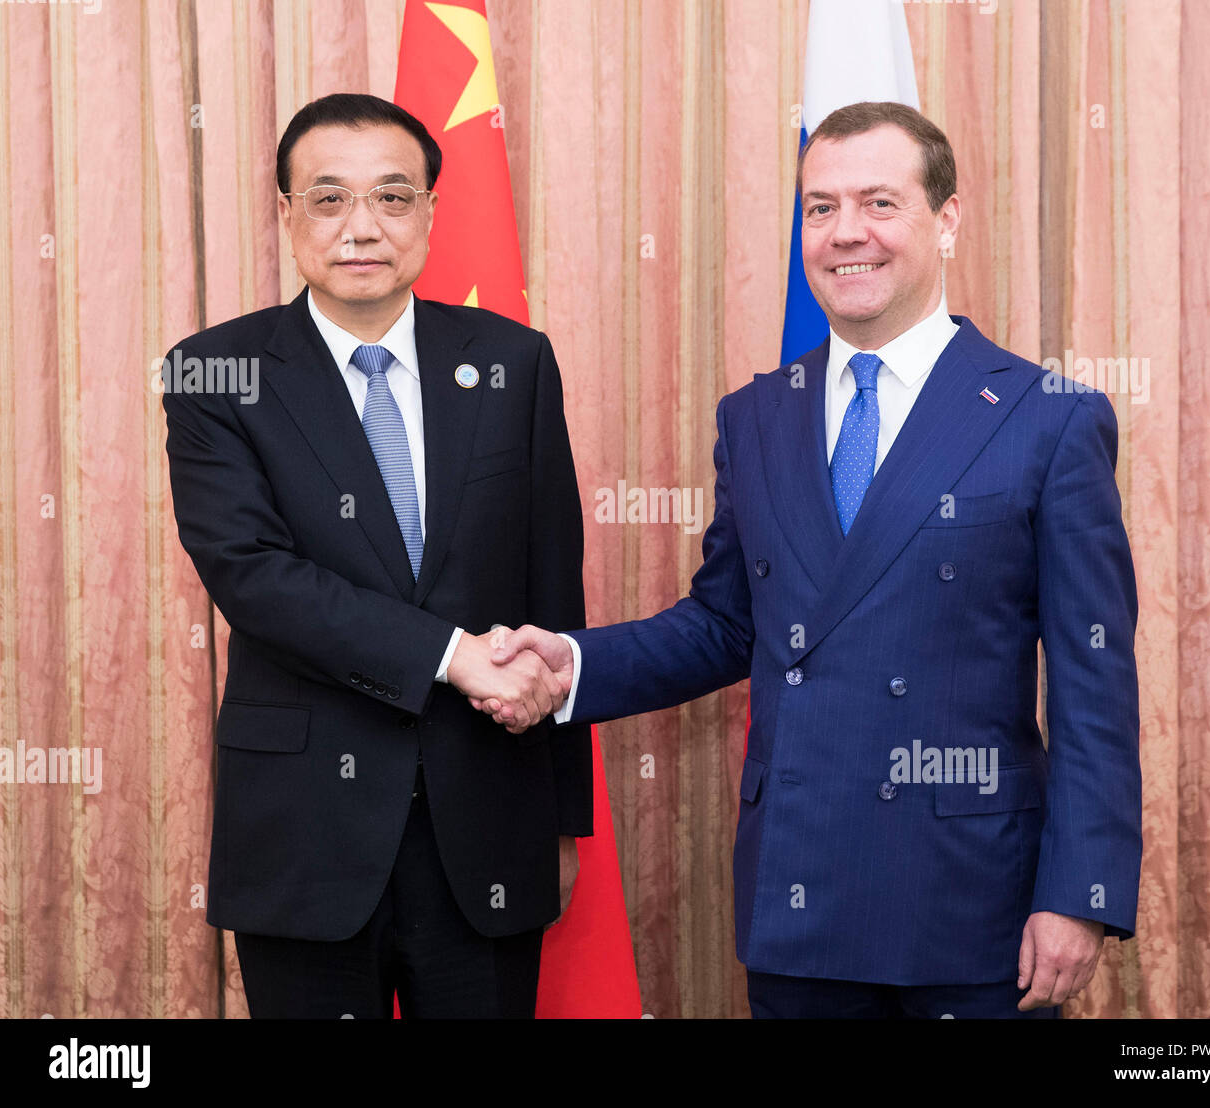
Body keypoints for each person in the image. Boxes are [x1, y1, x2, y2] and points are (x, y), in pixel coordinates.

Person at [485, 101, 1141, 1019]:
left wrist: (1079, 894)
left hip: (972, 903)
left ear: (946, 220)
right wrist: (576, 665)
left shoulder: (1049, 417)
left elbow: (1094, 682)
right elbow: (725, 625)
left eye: (880, 202)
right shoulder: (756, 416)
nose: (847, 234)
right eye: (821, 207)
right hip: (800, 891)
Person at [161, 93, 590, 1018]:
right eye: (328, 199)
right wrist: (453, 653)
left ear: (431, 211)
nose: (362, 227)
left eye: (393, 198)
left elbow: (555, 590)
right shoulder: (212, 374)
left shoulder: (516, 362)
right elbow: (256, 578)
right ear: (285, 216)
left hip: (489, 827)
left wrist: (563, 820)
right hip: (305, 839)